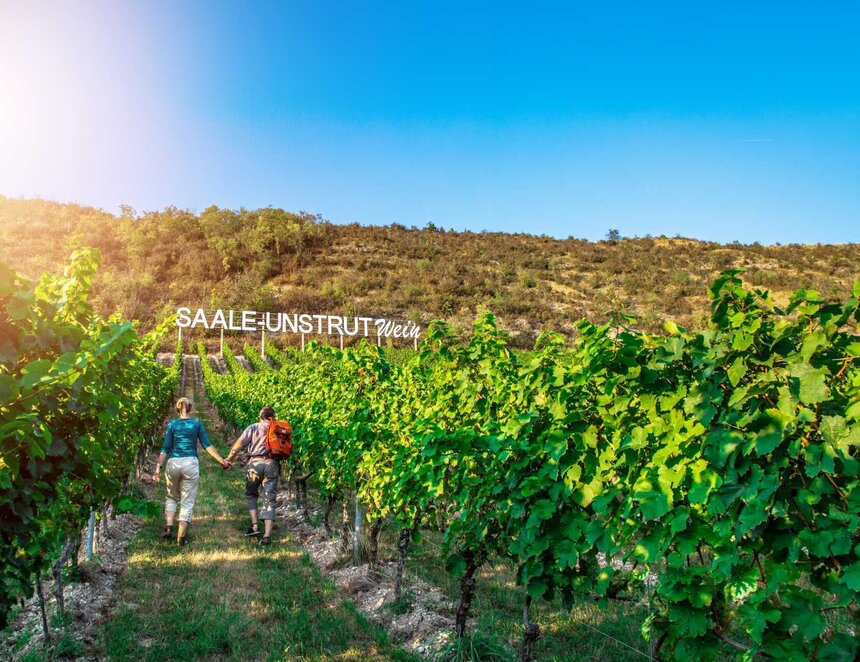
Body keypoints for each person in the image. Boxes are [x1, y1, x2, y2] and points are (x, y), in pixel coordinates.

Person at [153, 397, 230, 545]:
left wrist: (158, 467)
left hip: (173, 463)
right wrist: (221, 460)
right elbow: (207, 445)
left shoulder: (172, 424)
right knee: (187, 501)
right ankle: (181, 537)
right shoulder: (196, 423)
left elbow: (166, 447)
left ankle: (169, 527)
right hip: (190, 463)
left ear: (177, 409)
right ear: (190, 409)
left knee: (171, 496)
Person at [224, 406, 282, 546]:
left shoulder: (254, 427)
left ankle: (255, 525)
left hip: (255, 463)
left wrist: (229, 458)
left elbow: (239, 444)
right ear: (272, 417)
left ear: (260, 417)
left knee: (251, 494)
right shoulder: (278, 429)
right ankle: (267, 535)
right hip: (272, 464)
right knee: (269, 498)